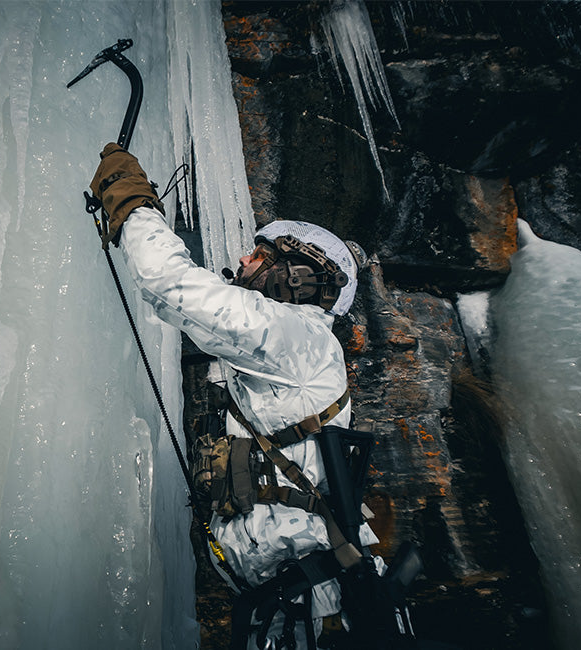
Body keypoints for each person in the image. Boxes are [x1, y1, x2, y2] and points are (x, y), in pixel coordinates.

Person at [90, 143, 377, 648]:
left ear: (298, 277)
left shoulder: (298, 339)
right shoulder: (291, 348)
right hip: (286, 598)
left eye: (261, 255)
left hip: (314, 602)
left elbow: (169, 282)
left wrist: (132, 202)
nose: (244, 258)